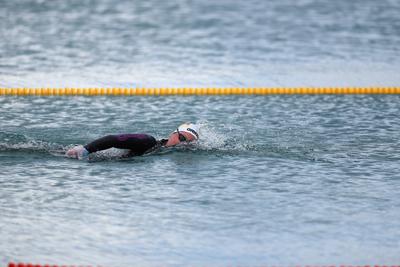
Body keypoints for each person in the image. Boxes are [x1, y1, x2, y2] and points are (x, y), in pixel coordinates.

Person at [66, 123, 199, 159]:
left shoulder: (164, 152)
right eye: (181, 138)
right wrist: (85, 150)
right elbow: (113, 139)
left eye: (187, 142)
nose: (181, 143)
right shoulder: (149, 142)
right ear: (173, 133)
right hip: (80, 159)